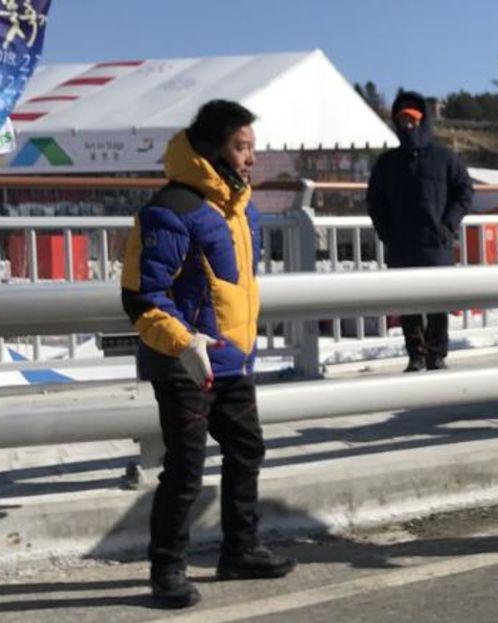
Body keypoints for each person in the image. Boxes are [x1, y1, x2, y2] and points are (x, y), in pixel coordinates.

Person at [121, 100, 296, 609]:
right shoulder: (170, 209)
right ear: (211, 148)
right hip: (184, 362)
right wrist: (182, 343)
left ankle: (240, 549)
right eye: (241, 148)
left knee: (246, 452)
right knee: (186, 467)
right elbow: (140, 295)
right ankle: (166, 567)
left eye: (252, 149)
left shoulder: (241, 210)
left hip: (232, 360)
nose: (249, 160)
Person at [367, 91, 474, 372]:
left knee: (438, 302)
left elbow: (464, 191)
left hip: (436, 243)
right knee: (408, 303)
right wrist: (386, 232)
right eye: (402, 120)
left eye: (413, 119)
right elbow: (375, 201)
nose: (408, 125)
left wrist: (447, 226)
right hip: (401, 244)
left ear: (423, 121)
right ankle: (415, 354)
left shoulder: (445, 158)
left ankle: (436, 354)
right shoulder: (386, 163)